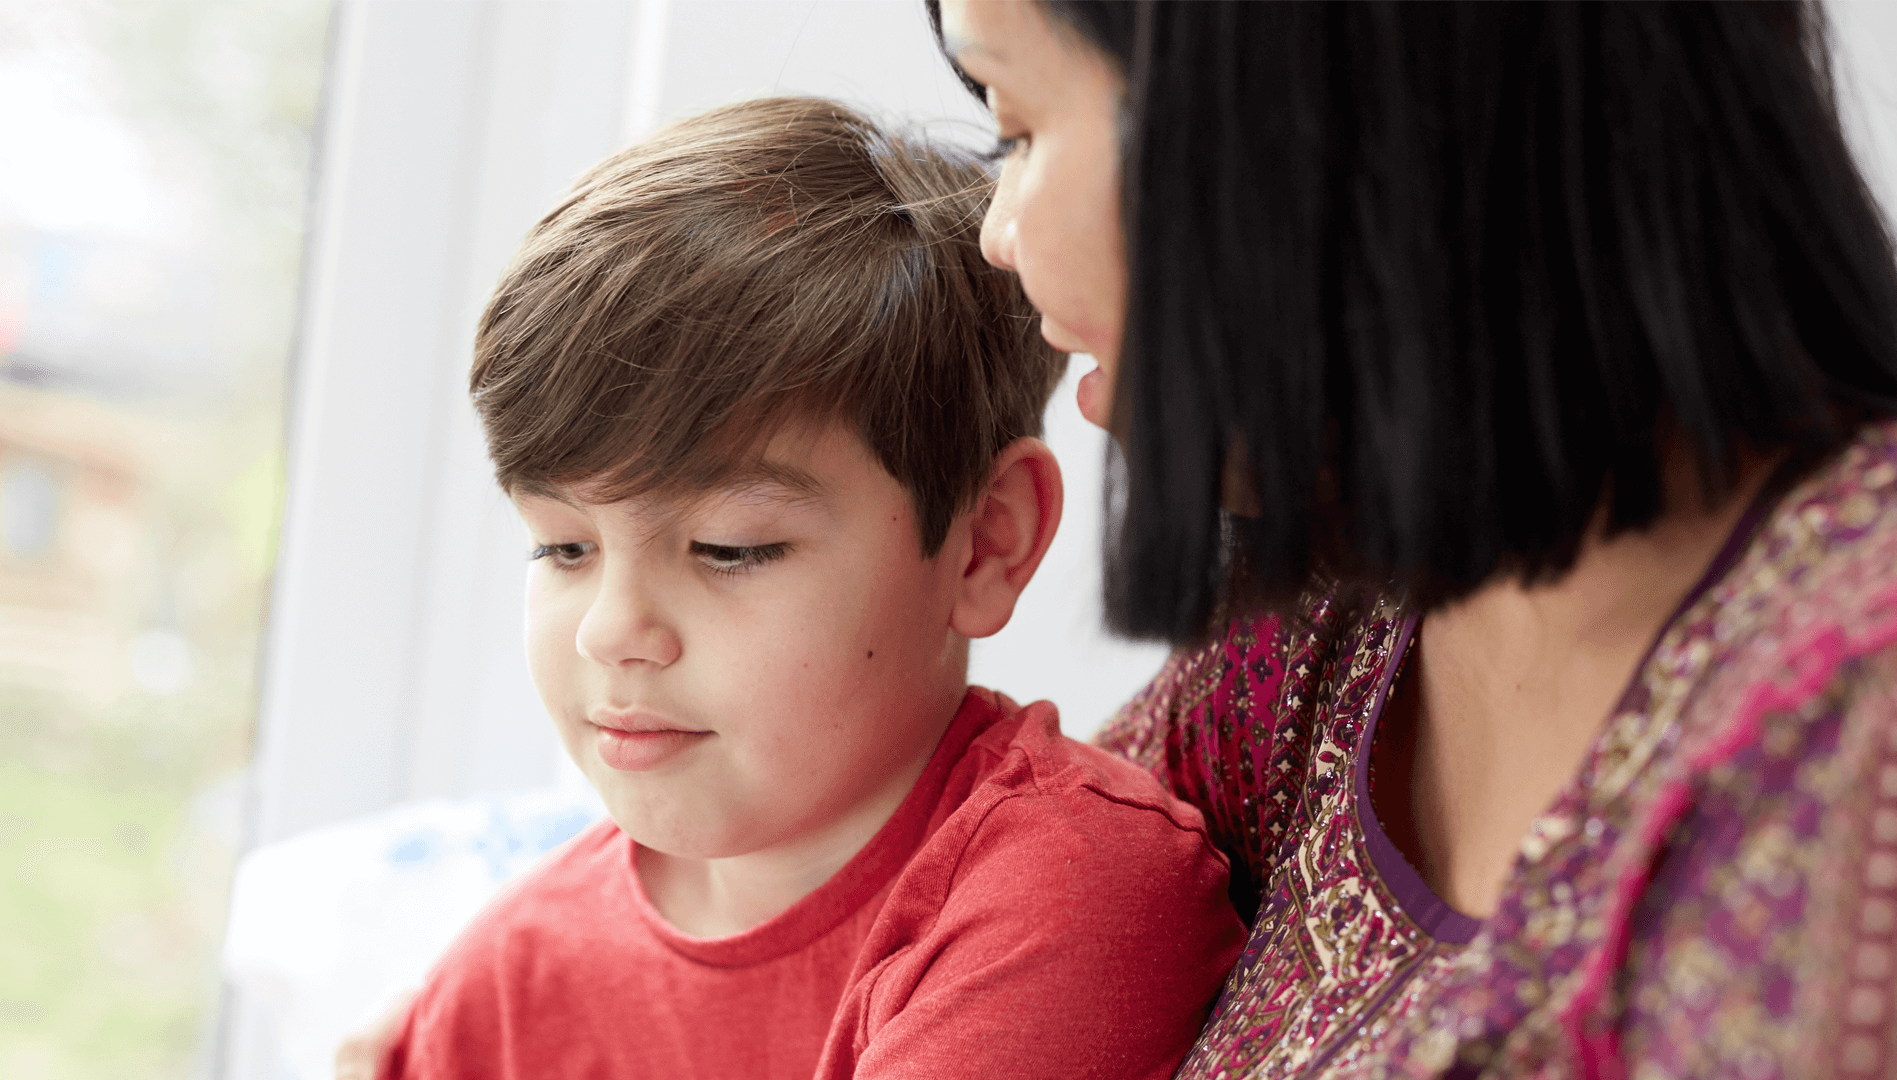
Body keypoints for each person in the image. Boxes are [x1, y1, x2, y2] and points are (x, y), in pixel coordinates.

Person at [936, 0, 1897, 1077]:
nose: (999, 235)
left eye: (1017, 126)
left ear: (1312, 106)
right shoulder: (1327, 612)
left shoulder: (1872, 759)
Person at [367, 97, 1245, 1080]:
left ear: (984, 545)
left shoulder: (1065, 897)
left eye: (727, 549)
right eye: (563, 549)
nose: (612, 632)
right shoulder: (504, 984)